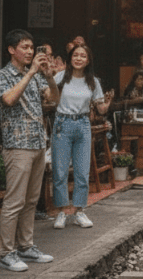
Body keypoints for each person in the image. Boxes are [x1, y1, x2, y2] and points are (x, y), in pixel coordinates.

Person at [0, 30, 59, 272]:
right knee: (14, 201)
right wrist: (30, 73)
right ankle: (6, 253)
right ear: (12, 50)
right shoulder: (1, 76)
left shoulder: (37, 76)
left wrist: (49, 77)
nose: (30, 51)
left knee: (31, 200)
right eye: (25, 47)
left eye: (32, 47)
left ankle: (26, 246)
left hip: (38, 142)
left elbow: (54, 99)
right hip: (17, 144)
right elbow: (8, 100)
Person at [51, 45, 110, 230]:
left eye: (82, 56)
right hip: (62, 123)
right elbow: (49, 97)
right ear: (70, 58)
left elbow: (101, 109)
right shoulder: (60, 77)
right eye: (75, 55)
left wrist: (107, 104)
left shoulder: (93, 81)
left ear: (88, 60)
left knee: (82, 171)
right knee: (60, 171)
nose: (78, 58)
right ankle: (61, 211)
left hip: (83, 124)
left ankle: (79, 211)